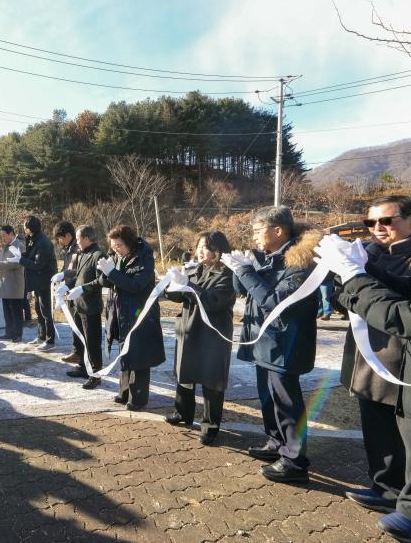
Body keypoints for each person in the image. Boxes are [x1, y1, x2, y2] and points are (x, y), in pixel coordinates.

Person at [318, 196, 411, 543]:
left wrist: (356, 275)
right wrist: (360, 268)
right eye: (370, 223)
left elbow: (406, 314)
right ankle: (407, 505)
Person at [223, 205, 320, 483]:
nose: (253, 236)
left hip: (284, 343)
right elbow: (244, 291)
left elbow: (275, 303)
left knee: (287, 402)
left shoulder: (299, 263)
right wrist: (239, 270)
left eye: (257, 230)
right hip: (265, 343)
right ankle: (276, 443)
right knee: (268, 397)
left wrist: (246, 271)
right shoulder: (270, 257)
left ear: (277, 231)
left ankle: (295, 460)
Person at [163, 231, 236, 445]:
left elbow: (213, 301)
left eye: (206, 247)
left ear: (218, 250)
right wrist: (174, 284)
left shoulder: (227, 274)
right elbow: (177, 296)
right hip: (188, 328)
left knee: (211, 380)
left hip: (213, 334)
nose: (200, 251)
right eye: (199, 246)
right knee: (184, 373)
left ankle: (210, 425)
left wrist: (189, 285)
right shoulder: (195, 269)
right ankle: (183, 412)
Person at [94, 224, 165, 410]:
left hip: (140, 313)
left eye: (118, 245)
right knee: (125, 352)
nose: (115, 249)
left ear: (129, 243)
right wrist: (103, 272)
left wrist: (113, 273)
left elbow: (136, 285)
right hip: (121, 311)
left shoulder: (144, 257)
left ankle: (139, 397)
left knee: (139, 355)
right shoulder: (118, 257)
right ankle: (124, 392)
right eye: (113, 245)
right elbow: (108, 281)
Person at [61, 225, 105, 390]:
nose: (77, 242)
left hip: (90, 307)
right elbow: (79, 276)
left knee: (92, 343)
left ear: (87, 239)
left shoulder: (98, 255)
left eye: (79, 239)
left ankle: (95, 375)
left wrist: (82, 289)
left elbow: (101, 281)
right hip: (79, 305)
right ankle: (83, 368)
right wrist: (68, 286)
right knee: (81, 340)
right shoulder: (83, 253)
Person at [12, 215, 57, 350]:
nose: (24, 230)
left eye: (25, 227)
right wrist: (20, 256)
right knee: (39, 309)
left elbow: (38, 264)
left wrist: (20, 260)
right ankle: (41, 336)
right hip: (37, 281)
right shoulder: (33, 239)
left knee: (46, 311)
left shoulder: (43, 242)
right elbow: (31, 256)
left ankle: (50, 341)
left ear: (30, 228)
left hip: (44, 281)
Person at [0, 225, 25, 342]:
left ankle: (17, 334)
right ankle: (9, 332)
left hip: (14, 284)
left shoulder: (19, 246)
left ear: (11, 233)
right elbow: (3, 262)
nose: (2, 237)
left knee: (15, 310)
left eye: (4, 235)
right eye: (1, 235)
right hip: (5, 283)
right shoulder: (5, 247)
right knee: (7, 310)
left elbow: (16, 264)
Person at [52, 221, 83, 364]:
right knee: (74, 323)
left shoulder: (78, 249)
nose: (59, 241)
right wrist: (60, 277)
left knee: (79, 324)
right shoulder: (68, 249)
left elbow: (81, 272)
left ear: (69, 235)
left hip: (79, 291)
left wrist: (66, 279)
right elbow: (66, 268)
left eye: (60, 237)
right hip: (70, 290)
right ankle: (77, 351)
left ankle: (82, 355)